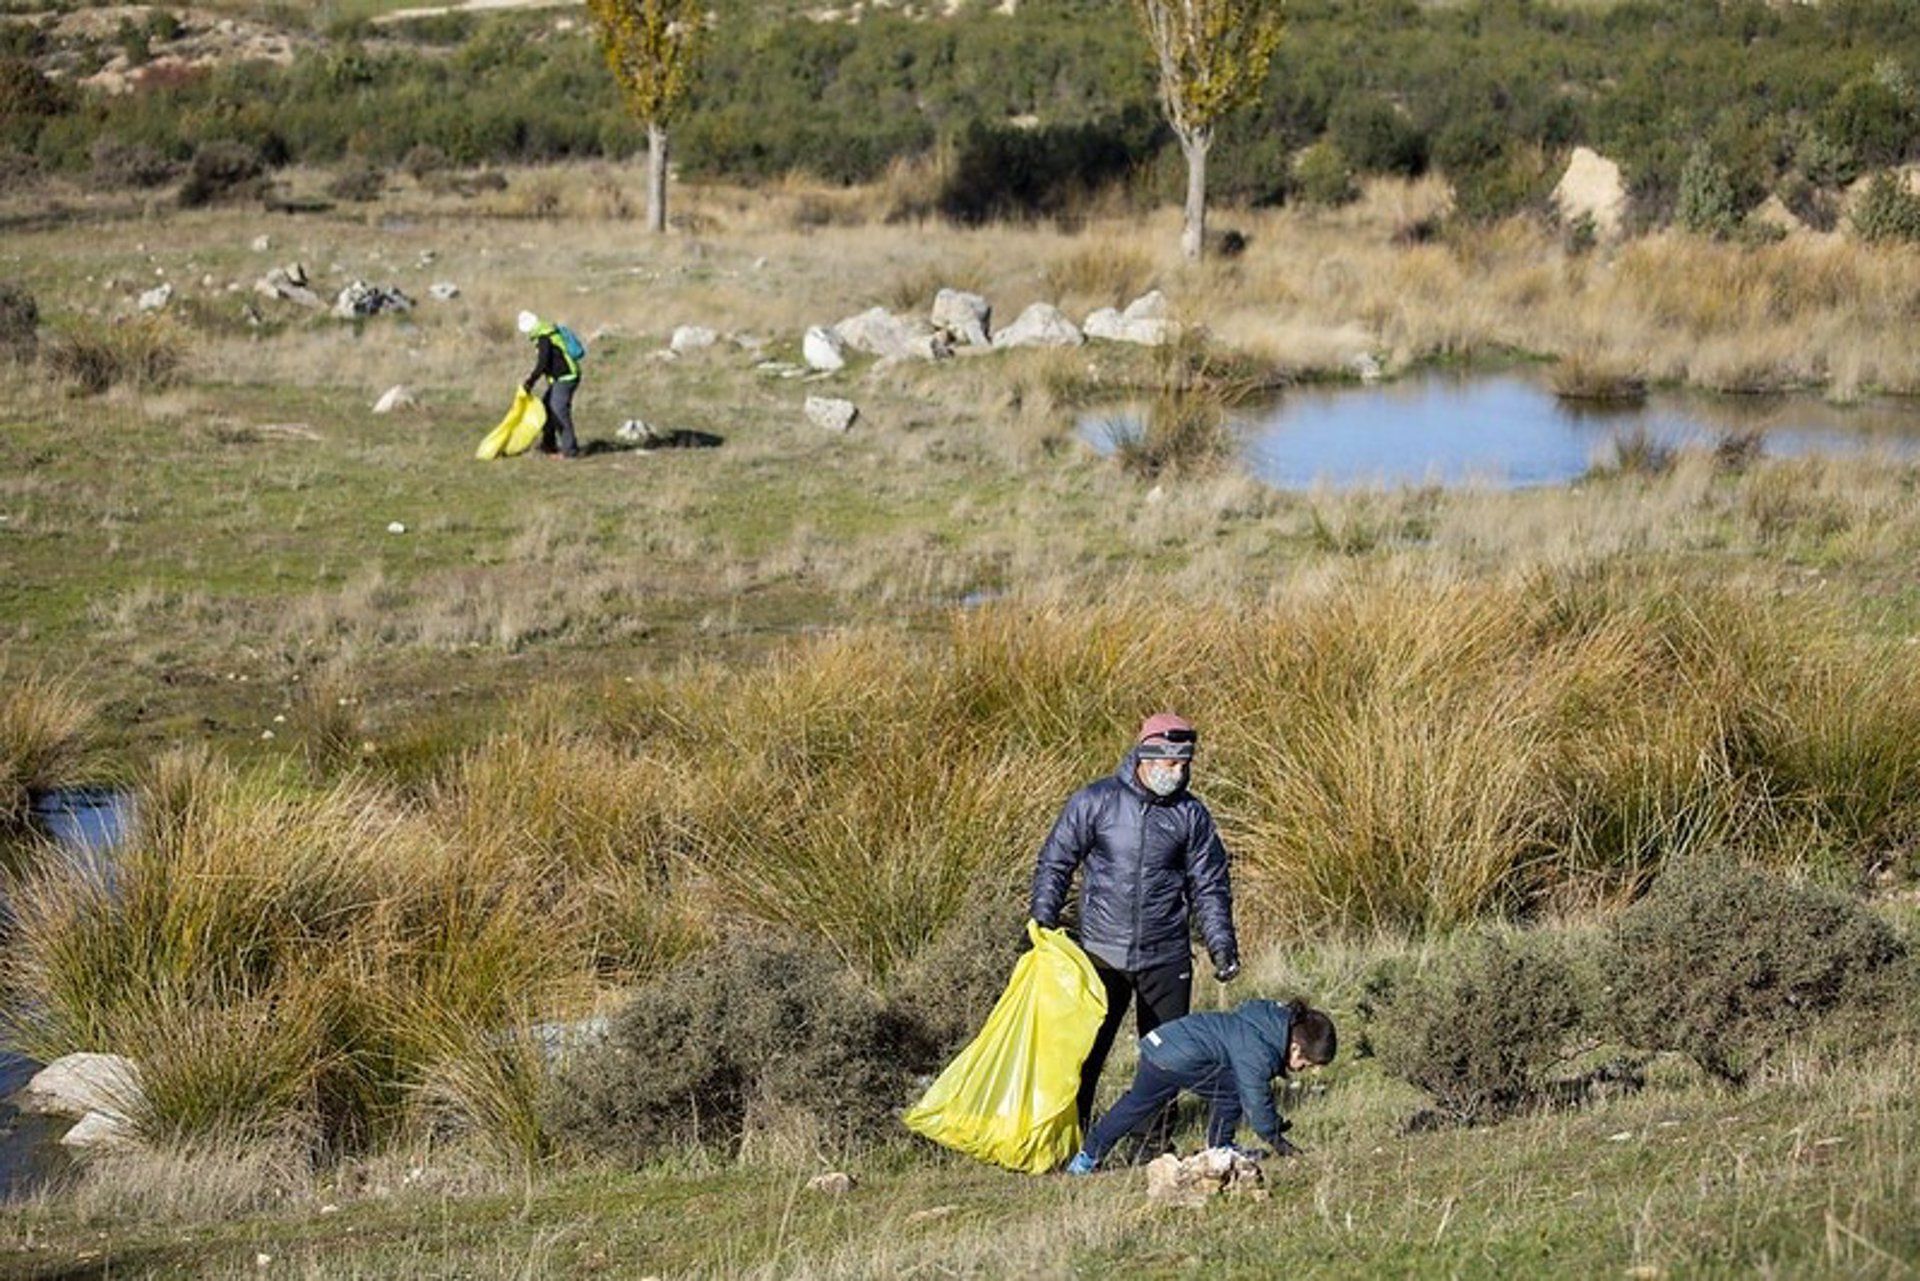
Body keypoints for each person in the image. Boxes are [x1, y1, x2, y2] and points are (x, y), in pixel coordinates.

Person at [1029, 711, 1241, 1141]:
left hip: (1166, 956)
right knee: (1085, 1055)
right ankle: (1072, 1140)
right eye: (1170, 764)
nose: (1178, 773)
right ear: (1146, 757)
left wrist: (1222, 946)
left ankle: (1153, 1145)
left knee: (1168, 1057)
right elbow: (1056, 862)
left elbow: (1210, 884)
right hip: (1102, 954)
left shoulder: (1192, 815)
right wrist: (1041, 920)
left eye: (1185, 764)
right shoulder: (1095, 801)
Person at [1064, 999, 1336, 1174]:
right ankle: (1220, 1149)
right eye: (1309, 1063)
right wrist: (1279, 1141)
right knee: (1232, 1093)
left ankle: (1087, 1157)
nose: (1307, 1070)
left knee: (1136, 1104)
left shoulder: (1265, 1019)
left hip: (1160, 1045)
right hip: (1179, 1056)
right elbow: (1256, 1101)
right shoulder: (1259, 1052)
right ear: (1296, 1047)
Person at [518, 310, 582, 459]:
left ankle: (570, 451)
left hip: (566, 377)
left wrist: (530, 382)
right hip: (559, 379)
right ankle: (548, 445)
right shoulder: (547, 331)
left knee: (558, 410)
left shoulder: (544, 337)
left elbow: (542, 363)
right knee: (546, 407)